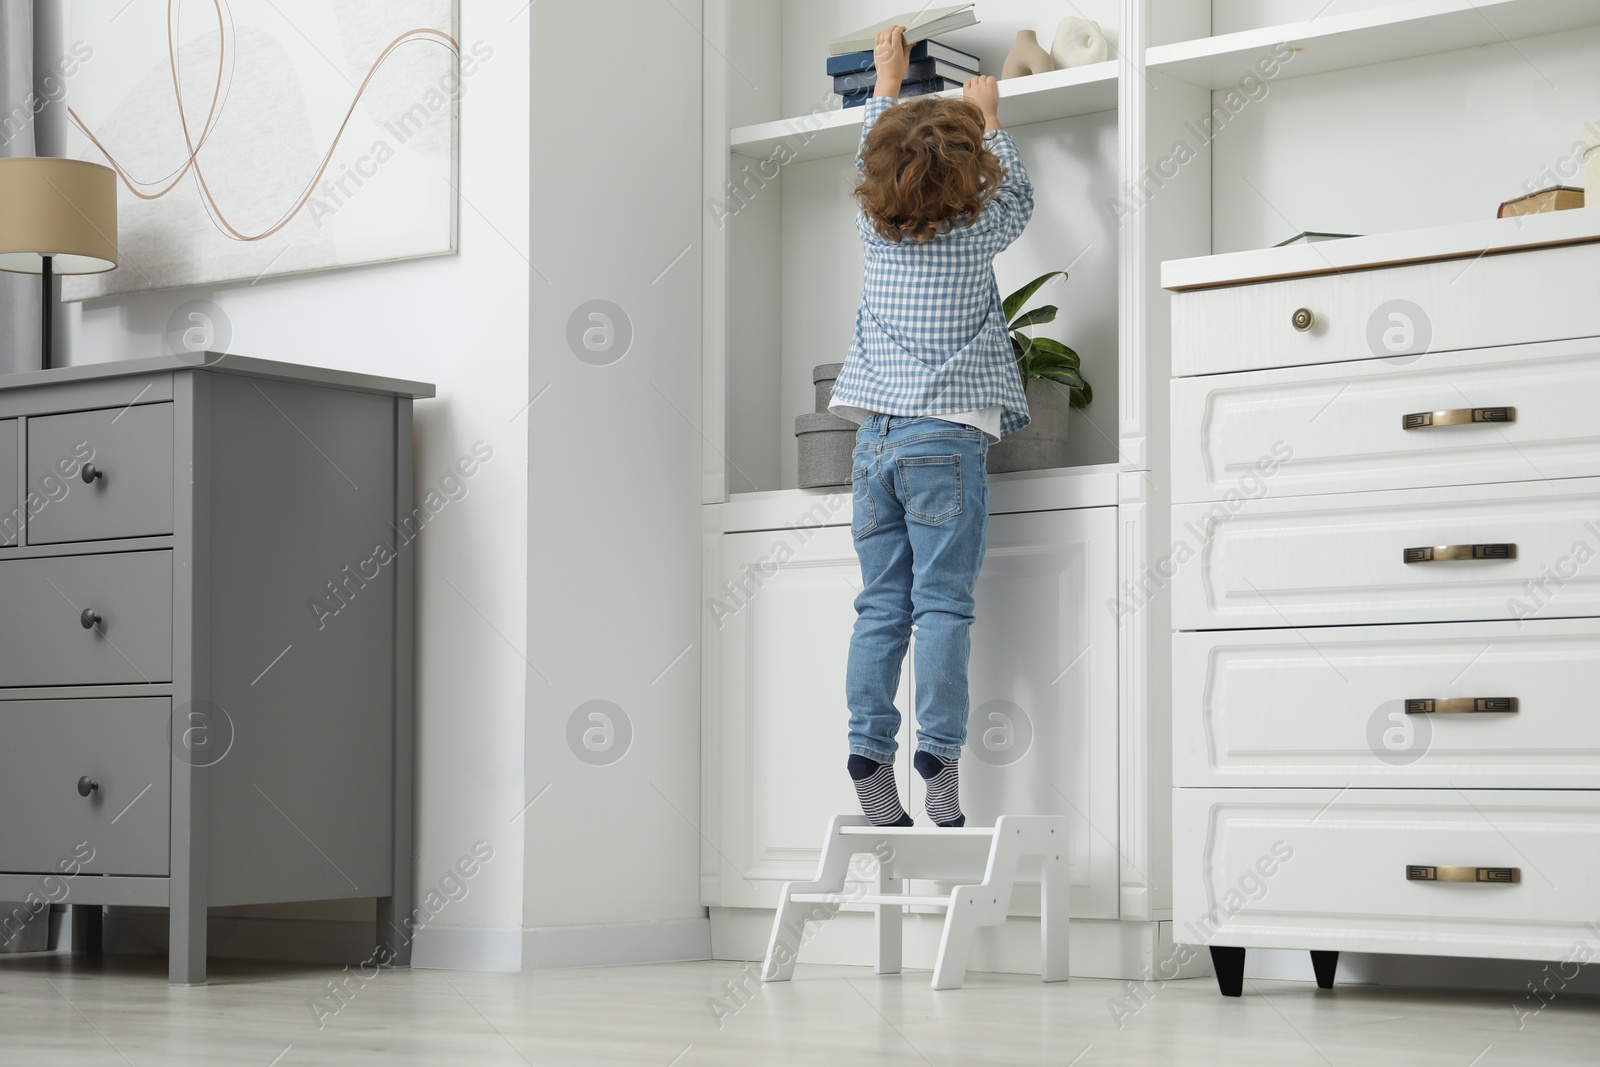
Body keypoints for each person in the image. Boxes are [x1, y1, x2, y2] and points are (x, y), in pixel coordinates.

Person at [828, 26, 1033, 827]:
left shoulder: (869, 231)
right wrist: (992, 117)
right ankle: (938, 760)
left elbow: (863, 156)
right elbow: (1017, 195)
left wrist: (886, 80)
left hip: (871, 442)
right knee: (943, 607)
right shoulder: (979, 232)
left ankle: (867, 755)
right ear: (971, 176)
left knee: (880, 606)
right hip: (944, 444)